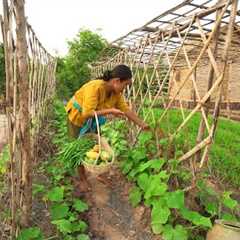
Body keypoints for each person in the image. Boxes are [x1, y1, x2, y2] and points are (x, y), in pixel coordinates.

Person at [65, 64, 149, 191]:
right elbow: (86, 113)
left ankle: (98, 172)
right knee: (78, 148)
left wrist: (143, 125)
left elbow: (126, 110)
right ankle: (82, 178)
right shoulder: (95, 87)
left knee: (93, 146)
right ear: (116, 81)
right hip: (77, 117)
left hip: (93, 120)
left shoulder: (116, 94)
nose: (124, 89)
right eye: (125, 85)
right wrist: (110, 110)